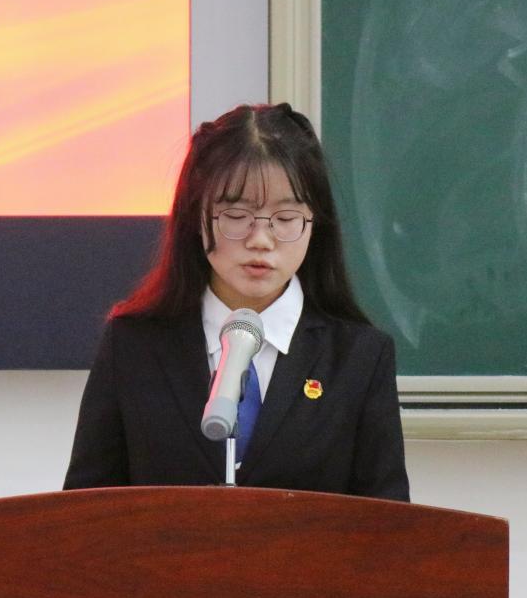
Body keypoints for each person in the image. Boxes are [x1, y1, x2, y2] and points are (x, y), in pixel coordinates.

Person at [63, 103, 409, 502]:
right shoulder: (133, 345)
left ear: (315, 224)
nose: (260, 240)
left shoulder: (358, 357)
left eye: (285, 218)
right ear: (197, 217)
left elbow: (388, 522)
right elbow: (85, 513)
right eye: (236, 215)